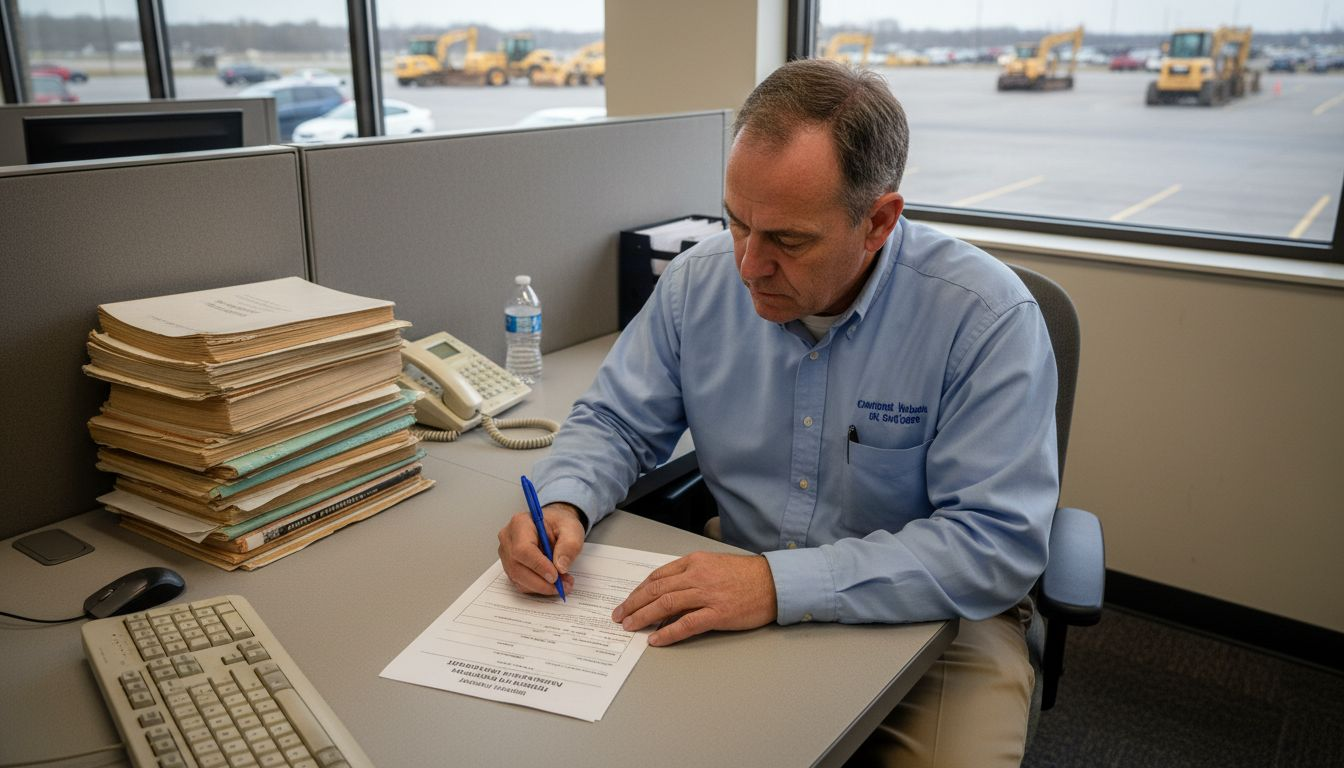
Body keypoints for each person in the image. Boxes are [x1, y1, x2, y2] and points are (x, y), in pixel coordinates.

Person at [497, 58, 1058, 767]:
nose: (748, 266)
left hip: (936, 624)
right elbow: (614, 422)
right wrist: (563, 502)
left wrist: (776, 585)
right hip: (739, 581)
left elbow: (992, 543)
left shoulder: (984, 319)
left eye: (788, 241)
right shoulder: (696, 284)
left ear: (878, 221)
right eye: (737, 223)